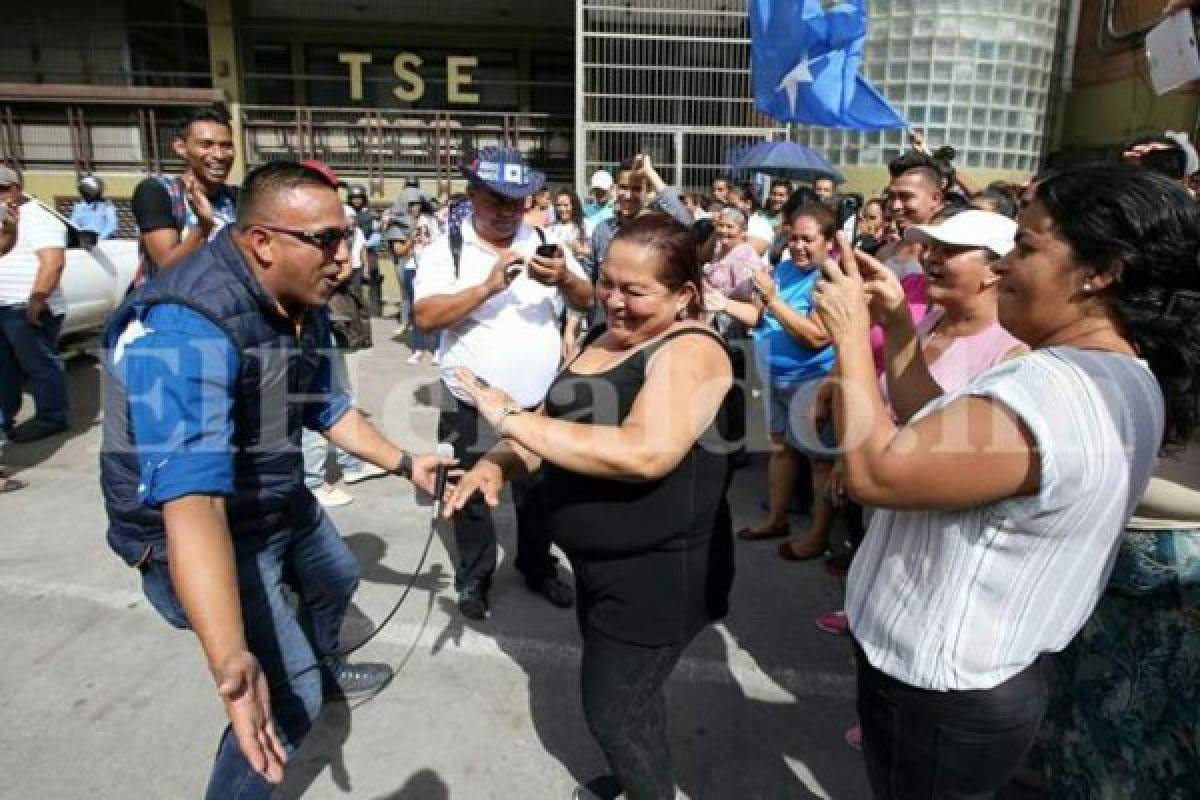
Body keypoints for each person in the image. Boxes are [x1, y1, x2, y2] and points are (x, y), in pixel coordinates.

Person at [814, 162, 1198, 798]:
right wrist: (901, 326)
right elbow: (936, 433)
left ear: (1102, 272)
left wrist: (854, 340)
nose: (1002, 268)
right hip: (973, 680)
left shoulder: (1049, 391)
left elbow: (878, 473)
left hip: (942, 690)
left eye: (1026, 246)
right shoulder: (1114, 374)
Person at [101, 161, 452, 799]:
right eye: (327, 241)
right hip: (204, 527)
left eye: (346, 237)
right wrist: (231, 655)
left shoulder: (298, 295)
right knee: (286, 703)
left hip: (273, 497)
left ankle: (315, 664)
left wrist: (406, 462)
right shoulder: (183, 330)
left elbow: (324, 405)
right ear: (262, 242)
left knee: (337, 576)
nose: (346, 259)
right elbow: (194, 505)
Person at [446, 213, 734, 800]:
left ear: (684, 295)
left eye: (635, 291)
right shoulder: (606, 335)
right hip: (602, 570)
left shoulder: (692, 351)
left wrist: (507, 417)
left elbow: (645, 453)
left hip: (660, 578)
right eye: (608, 283)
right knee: (630, 698)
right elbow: (551, 428)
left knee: (613, 711)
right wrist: (494, 462)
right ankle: (639, 781)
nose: (615, 301)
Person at [412, 146, 594, 621]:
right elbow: (426, 317)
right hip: (468, 403)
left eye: (518, 201)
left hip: (536, 404)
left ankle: (536, 565)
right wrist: (485, 289)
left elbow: (587, 297)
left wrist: (564, 281)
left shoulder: (546, 239)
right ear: (472, 195)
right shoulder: (444, 249)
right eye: (496, 200)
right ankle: (475, 576)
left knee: (539, 494)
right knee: (467, 494)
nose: (508, 211)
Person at [719, 205, 837, 556]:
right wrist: (721, 303)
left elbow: (816, 336)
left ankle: (817, 536)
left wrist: (772, 298)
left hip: (811, 381)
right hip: (773, 375)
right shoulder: (783, 269)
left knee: (819, 462)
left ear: (829, 242)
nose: (798, 246)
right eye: (794, 237)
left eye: (808, 239)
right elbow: (759, 317)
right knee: (780, 449)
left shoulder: (829, 279)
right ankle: (777, 518)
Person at [0, 165, 70, 443]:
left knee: (40, 366)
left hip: (26, 305)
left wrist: (37, 299)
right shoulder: (7, 219)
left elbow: (53, 263)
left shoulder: (39, 217)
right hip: (5, 304)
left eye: (3, 188)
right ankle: (5, 419)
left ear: (17, 188)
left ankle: (52, 417)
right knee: (5, 368)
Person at [132, 107, 238, 280]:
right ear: (181, 148)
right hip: (171, 304)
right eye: (206, 145)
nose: (219, 155)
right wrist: (203, 228)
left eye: (226, 146)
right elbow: (166, 267)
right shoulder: (157, 192)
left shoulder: (235, 198)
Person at [586, 154, 692, 327]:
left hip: (643, 326)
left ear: (647, 191)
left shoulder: (657, 228)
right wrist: (573, 324)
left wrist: (651, 174)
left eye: (636, 189)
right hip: (605, 326)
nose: (627, 195)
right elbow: (589, 280)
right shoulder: (602, 230)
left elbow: (685, 222)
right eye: (623, 187)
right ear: (614, 189)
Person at [346, 183, 383, 316]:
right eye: (354, 198)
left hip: (368, 249)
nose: (356, 200)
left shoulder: (371, 214)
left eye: (359, 197)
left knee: (372, 273)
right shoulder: (345, 212)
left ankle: (373, 307)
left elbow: (377, 235)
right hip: (349, 251)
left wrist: (364, 245)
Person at [69, 174, 118, 244]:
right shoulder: (79, 206)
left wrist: (99, 238)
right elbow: (73, 223)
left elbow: (111, 225)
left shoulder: (107, 205)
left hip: (102, 241)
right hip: (84, 240)